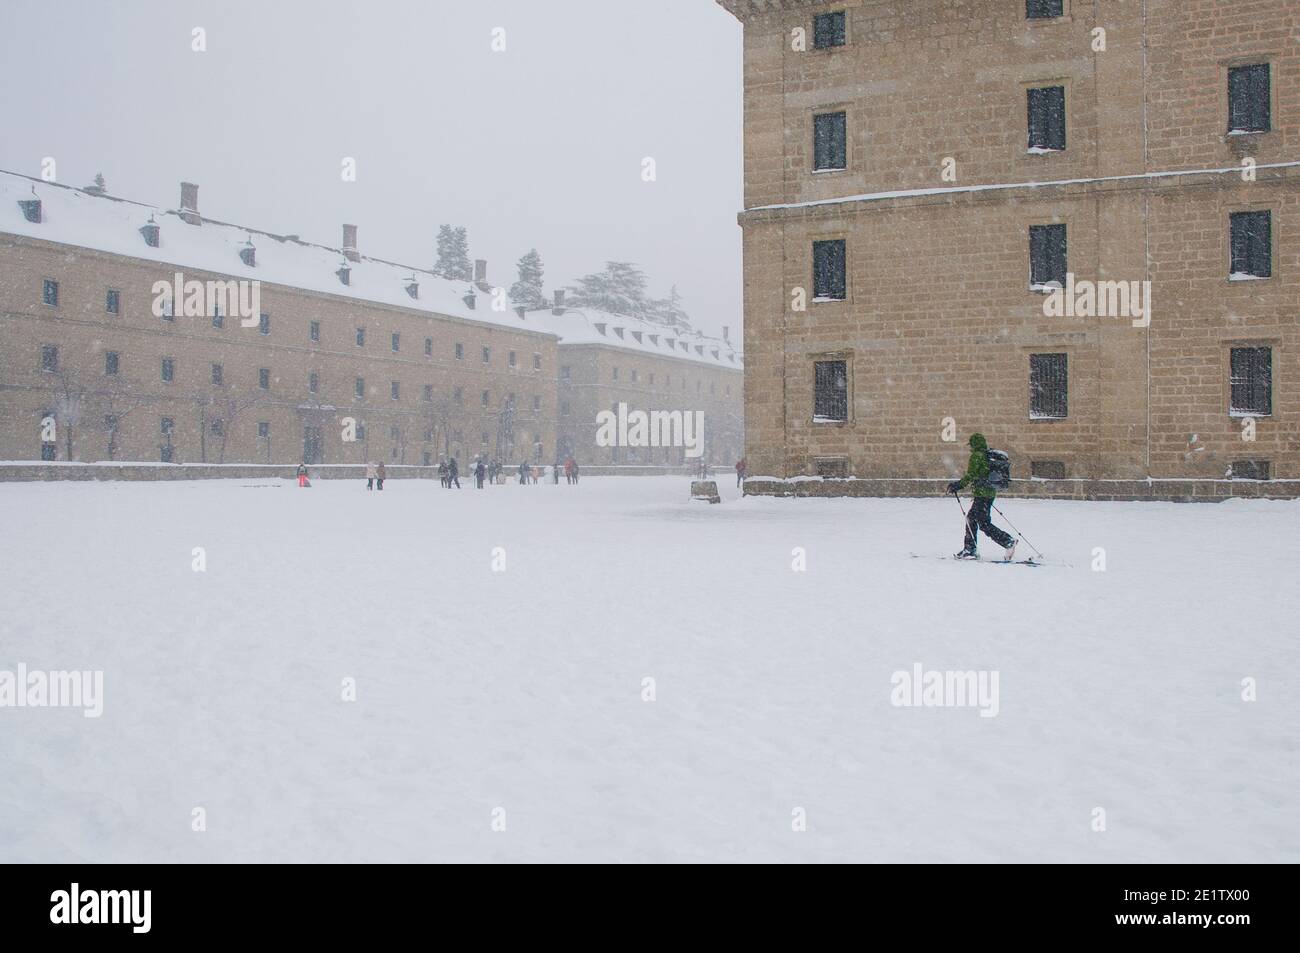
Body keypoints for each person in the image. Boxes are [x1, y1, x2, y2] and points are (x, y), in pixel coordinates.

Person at [947, 432, 1016, 560]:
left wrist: (958, 485)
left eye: (971, 445)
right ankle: (970, 549)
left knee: (983, 523)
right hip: (988, 492)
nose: (970, 447)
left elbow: (971, 475)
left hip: (982, 494)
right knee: (971, 519)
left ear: (974, 444)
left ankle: (1007, 541)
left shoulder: (976, 456)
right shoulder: (987, 455)